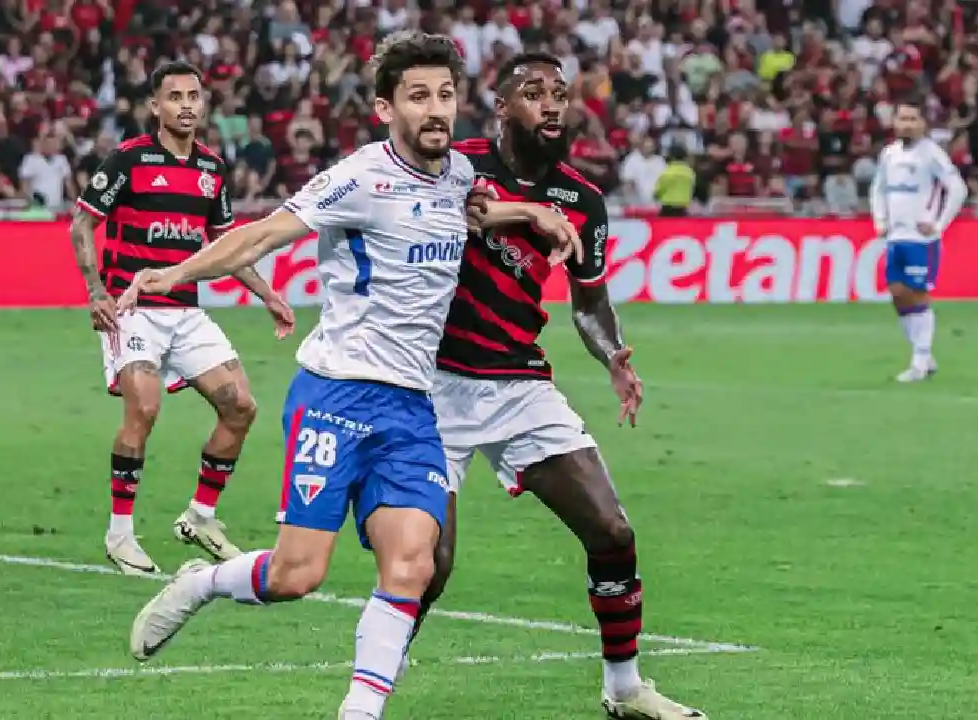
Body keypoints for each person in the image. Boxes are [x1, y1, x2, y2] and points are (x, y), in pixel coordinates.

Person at [120, 32, 580, 720]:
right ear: (383, 107)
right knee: (296, 575)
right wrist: (176, 273)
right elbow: (262, 234)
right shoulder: (359, 177)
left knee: (413, 566)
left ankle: (358, 714)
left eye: (445, 96)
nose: (435, 110)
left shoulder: (456, 174)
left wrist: (533, 212)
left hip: (413, 408)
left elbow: (478, 208)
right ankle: (204, 582)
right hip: (336, 394)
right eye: (418, 96)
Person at [414, 53, 708, 719]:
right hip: (432, 385)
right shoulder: (456, 165)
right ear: (500, 107)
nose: (552, 106)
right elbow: (461, 211)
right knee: (429, 568)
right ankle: (369, 691)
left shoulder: (581, 199)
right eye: (533, 93)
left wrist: (612, 355)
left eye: (560, 95)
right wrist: (525, 214)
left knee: (611, 531)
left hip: (517, 384)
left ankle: (625, 688)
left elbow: (588, 301)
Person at [69, 60, 296, 575]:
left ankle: (201, 515)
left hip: (186, 311)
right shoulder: (127, 160)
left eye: (194, 96)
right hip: (134, 310)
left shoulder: (212, 170)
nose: (186, 105)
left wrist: (268, 294)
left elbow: (226, 245)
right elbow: (82, 225)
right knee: (143, 410)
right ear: (155, 106)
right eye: (175, 97)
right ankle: (120, 534)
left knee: (240, 406)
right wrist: (95, 290)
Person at [870, 93, 967, 383]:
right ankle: (924, 356)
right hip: (896, 236)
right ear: (895, 122)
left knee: (918, 294)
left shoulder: (932, 153)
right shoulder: (889, 154)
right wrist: (879, 219)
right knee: (898, 295)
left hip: (920, 240)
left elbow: (958, 188)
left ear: (923, 123)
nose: (907, 125)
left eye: (913, 119)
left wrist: (938, 225)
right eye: (903, 119)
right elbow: (878, 187)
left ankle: (919, 362)